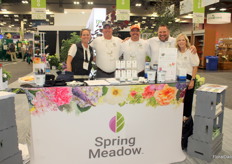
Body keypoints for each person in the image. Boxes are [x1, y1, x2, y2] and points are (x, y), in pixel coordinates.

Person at [175, 33, 200, 150]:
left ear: (186, 41)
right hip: (178, 81)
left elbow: (195, 66)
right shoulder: (175, 52)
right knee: (179, 104)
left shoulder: (191, 51)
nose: (181, 42)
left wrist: (193, 80)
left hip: (188, 80)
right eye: (179, 40)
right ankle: (178, 133)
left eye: (183, 40)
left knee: (188, 106)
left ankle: (187, 135)